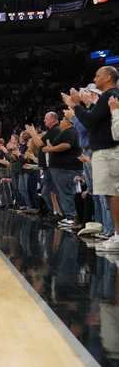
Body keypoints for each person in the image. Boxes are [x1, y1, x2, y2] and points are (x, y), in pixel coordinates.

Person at [62, 66, 119, 252]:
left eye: (98, 75)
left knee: (113, 194)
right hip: (103, 150)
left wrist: (76, 106)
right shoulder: (107, 97)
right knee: (108, 194)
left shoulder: (110, 95)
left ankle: (116, 234)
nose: (95, 78)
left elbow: (90, 122)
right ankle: (115, 233)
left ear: (109, 77)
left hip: (109, 151)